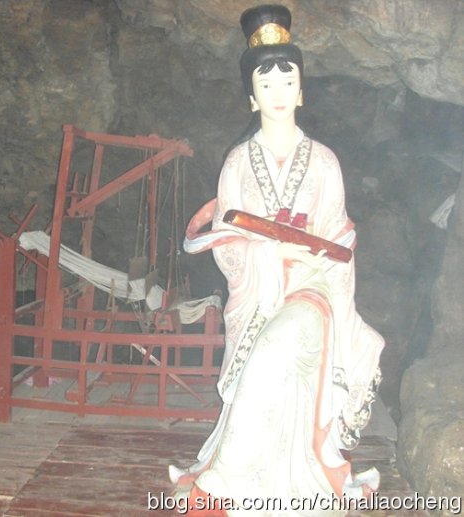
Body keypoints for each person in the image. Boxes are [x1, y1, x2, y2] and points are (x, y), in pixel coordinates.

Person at [170, 5, 385, 516]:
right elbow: (226, 238)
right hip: (258, 291)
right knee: (263, 354)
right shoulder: (237, 163)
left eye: (288, 81)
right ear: (252, 96)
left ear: (302, 91)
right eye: (266, 84)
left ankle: (225, 479)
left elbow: (340, 234)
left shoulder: (325, 161)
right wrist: (270, 251)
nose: (278, 92)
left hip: (314, 286)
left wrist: (309, 253)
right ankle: (249, 478)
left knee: (276, 349)